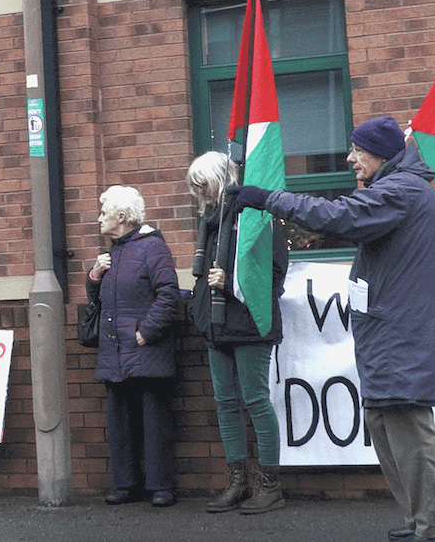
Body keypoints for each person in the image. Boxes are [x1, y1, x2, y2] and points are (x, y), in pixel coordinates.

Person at [230, 116, 435, 542]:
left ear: (380, 153)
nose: (349, 159)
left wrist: (270, 199)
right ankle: (421, 521)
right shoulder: (396, 190)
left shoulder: (401, 190)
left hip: (401, 335)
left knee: (410, 434)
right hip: (390, 335)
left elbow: (340, 217)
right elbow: (346, 221)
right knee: (385, 426)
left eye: (357, 151)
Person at [187, 152, 288, 514]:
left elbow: (275, 277)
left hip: (250, 324)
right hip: (217, 324)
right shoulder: (211, 220)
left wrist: (230, 284)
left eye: (202, 183)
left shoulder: (257, 214)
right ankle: (239, 481)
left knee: (256, 400)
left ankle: (269, 485)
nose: (197, 191)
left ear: (219, 179)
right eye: (194, 184)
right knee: (226, 403)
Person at [86, 184, 180, 508]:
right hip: (115, 352)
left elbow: (169, 295)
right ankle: (126, 484)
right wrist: (94, 276)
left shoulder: (152, 247)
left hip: (144, 349)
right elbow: (98, 300)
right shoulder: (111, 252)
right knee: (120, 422)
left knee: (155, 421)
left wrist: (145, 333)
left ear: (122, 217)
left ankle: (161, 486)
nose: (99, 219)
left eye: (104, 213)